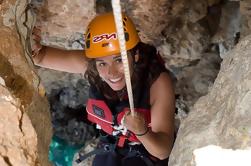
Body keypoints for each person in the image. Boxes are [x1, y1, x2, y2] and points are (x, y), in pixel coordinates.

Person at [32, 12, 175, 166]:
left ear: (135, 56)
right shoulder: (92, 67)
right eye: (102, 63)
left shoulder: (157, 82)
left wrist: (142, 132)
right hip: (110, 147)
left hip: (146, 154)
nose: (111, 73)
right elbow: (39, 57)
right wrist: (33, 46)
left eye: (119, 60)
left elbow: (163, 151)